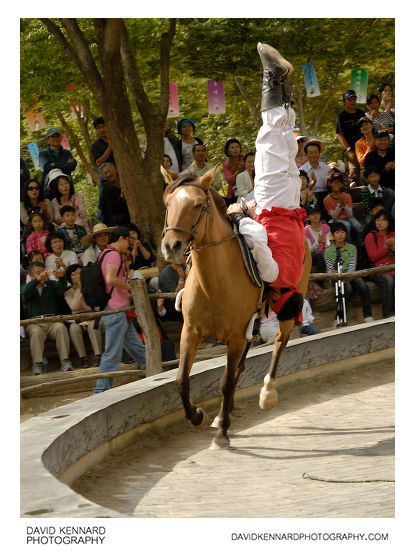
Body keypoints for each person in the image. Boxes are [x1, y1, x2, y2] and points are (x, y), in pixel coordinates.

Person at [93, 227, 146, 393]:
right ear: (121, 238)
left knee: (139, 350)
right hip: (116, 311)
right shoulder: (113, 255)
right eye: (128, 241)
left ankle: (156, 374)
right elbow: (110, 278)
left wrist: (127, 264)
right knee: (112, 354)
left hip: (118, 311)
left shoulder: (105, 254)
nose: (129, 245)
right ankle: (100, 391)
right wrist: (130, 287)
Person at [21, 261, 73, 375]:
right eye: (38, 273)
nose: (42, 275)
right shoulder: (27, 287)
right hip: (35, 322)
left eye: (43, 272)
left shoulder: (51, 285)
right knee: (35, 331)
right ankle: (37, 364)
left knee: (60, 327)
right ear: (30, 275)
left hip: (52, 321)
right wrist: (37, 280)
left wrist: (61, 277)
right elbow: (25, 293)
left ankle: (65, 361)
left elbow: (61, 288)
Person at [324, 222, 373, 324]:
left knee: (363, 285)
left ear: (346, 234)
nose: (340, 234)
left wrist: (347, 278)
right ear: (332, 235)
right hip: (337, 278)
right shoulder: (328, 251)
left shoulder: (352, 248)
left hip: (351, 276)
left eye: (343, 232)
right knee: (348, 289)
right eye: (337, 232)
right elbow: (329, 270)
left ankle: (367, 315)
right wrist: (333, 274)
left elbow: (352, 266)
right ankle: (338, 316)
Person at [64, 264, 103, 368]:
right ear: (69, 277)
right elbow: (74, 307)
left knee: (92, 326)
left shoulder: (91, 288)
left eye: (79, 273)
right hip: (77, 320)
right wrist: (79, 289)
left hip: (92, 317)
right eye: (74, 274)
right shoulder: (68, 293)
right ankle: (83, 358)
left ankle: (98, 356)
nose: (77, 276)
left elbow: (96, 307)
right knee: (73, 329)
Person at [364, 210, 394, 318]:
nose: (380, 222)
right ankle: (388, 313)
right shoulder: (371, 236)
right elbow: (373, 257)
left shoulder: (394, 235)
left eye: (383, 220)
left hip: (394, 268)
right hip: (378, 271)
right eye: (378, 220)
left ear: (389, 222)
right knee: (388, 279)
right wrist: (386, 247)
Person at [336, 90, 365, 186]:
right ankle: (355, 192)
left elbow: (367, 128)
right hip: (351, 149)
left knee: (366, 169)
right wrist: (348, 148)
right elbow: (340, 134)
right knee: (354, 171)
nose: (352, 102)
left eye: (354, 99)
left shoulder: (361, 114)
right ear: (344, 102)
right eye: (349, 100)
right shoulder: (341, 117)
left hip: (364, 147)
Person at [323, 172, 362, 244]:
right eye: (334, 182)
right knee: (346, 226)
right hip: (337, 219)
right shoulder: (326, 199)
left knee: (358, 226)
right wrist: (339, 205)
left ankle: (361, 246)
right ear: (330, 184)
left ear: (342, 185)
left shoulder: (347, 196)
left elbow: (350, 214)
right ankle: (348, 246)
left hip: (349, 217)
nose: (336, 184)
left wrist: (344, 205)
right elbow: (334, 216)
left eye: (338, 183)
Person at [39, 128, 77, 196]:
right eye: (53, 136)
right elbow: (45, 168)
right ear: (47, 140)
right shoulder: (43, 153)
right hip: (50, 192)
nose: (55, 138)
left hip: (67, 190)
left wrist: (55, 164)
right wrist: (65, 164)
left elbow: (73, 165)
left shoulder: (67, 152)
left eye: (57, 136)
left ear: (61, 137)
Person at [90, 117, 115, 220]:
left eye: (103, 126)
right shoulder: (95, 145)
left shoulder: (117, 139)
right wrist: (110, 147)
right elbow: (99, 161)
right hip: (106, 177)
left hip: (121, 175)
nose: (102, 129)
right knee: (104, 202)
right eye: (99, 128)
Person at [299, 140, 331, 213]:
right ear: (306, 154)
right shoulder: (302, 170)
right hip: (310, 195)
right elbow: (302, 188)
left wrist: (329, 181)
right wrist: (313, 183)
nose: (313, 155)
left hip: (325, 193)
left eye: (316, 152)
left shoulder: (326, 168)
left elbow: (329, 187)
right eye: (310, 153)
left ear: (319, 153)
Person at [158, 256, 190, 320]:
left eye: (181, 255)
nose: (180, 257)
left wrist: (187, 275)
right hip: (173, 308)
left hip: (185, 301)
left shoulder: (184, 267)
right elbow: (176, 295)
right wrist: (181, 278)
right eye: (177, 255)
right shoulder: (166, 272)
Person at [304, 204, 331, 274]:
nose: (315, 216)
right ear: (308, 217)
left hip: (325, 254)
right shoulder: (306, 230)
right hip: (313, 256)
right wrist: (317, 243)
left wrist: (329, 243)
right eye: (312, 214)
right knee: (320, 256)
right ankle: (320, 280)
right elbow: (309, 251)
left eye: (317, 213)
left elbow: (328, 245)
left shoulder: (326, 227)